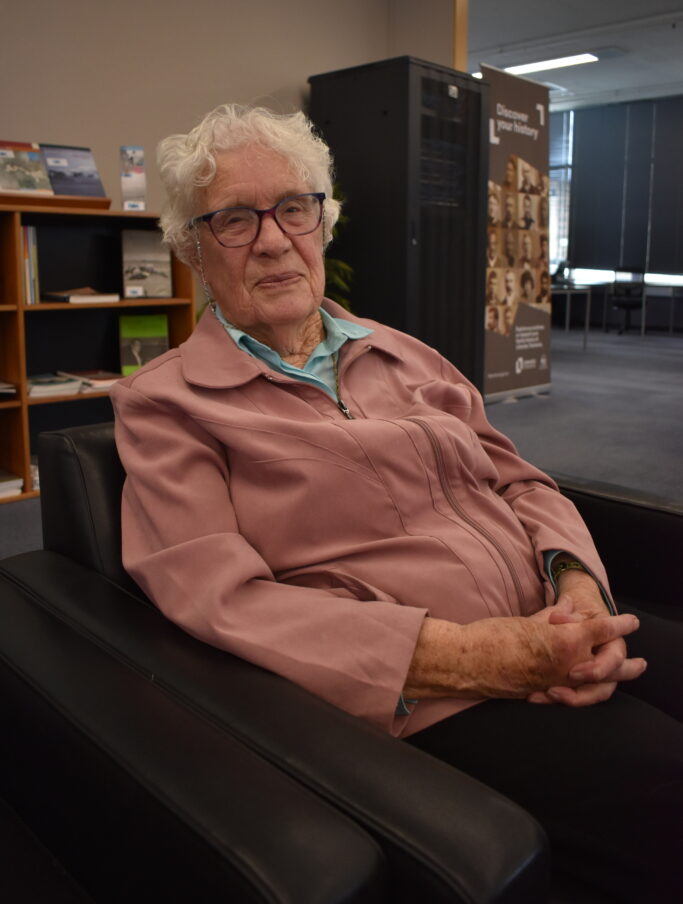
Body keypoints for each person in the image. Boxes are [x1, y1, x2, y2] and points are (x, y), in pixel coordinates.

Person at [111, 104, 682, 903]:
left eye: (293, 208)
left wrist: (577, 590)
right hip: (431, 693)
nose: (273, 239)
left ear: (322, 221)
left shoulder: (401, 351)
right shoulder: (167, 405)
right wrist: (476, 656)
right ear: (193, 249)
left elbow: (520, 481)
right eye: (235, 219)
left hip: (549, 618)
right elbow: (220, 600)